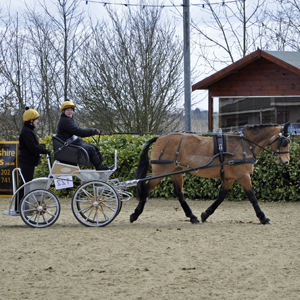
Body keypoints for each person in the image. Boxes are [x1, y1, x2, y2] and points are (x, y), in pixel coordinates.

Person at [14, 107, 51, 214]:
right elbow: (32, 146)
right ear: (31, 121)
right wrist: (45, 151)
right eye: (36, 119)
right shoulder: (27, 132)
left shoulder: (29, 130)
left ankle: (21, 206)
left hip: (28, 161)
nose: (37, 121)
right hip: (26, 161)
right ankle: (19, 206)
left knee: (26, 183)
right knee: (24, 184)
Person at [56, 100, 110, 171]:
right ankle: (100, 168)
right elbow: (78, 131)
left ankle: (101, 167)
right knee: (91, 149)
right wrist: (92, 131)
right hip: (68, 148)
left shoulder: (67, 119)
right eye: (68, 110)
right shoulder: (65, 121)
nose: (70, 112)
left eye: (71, 110)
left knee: (94, 147)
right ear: (63, 111)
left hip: (70, 145)